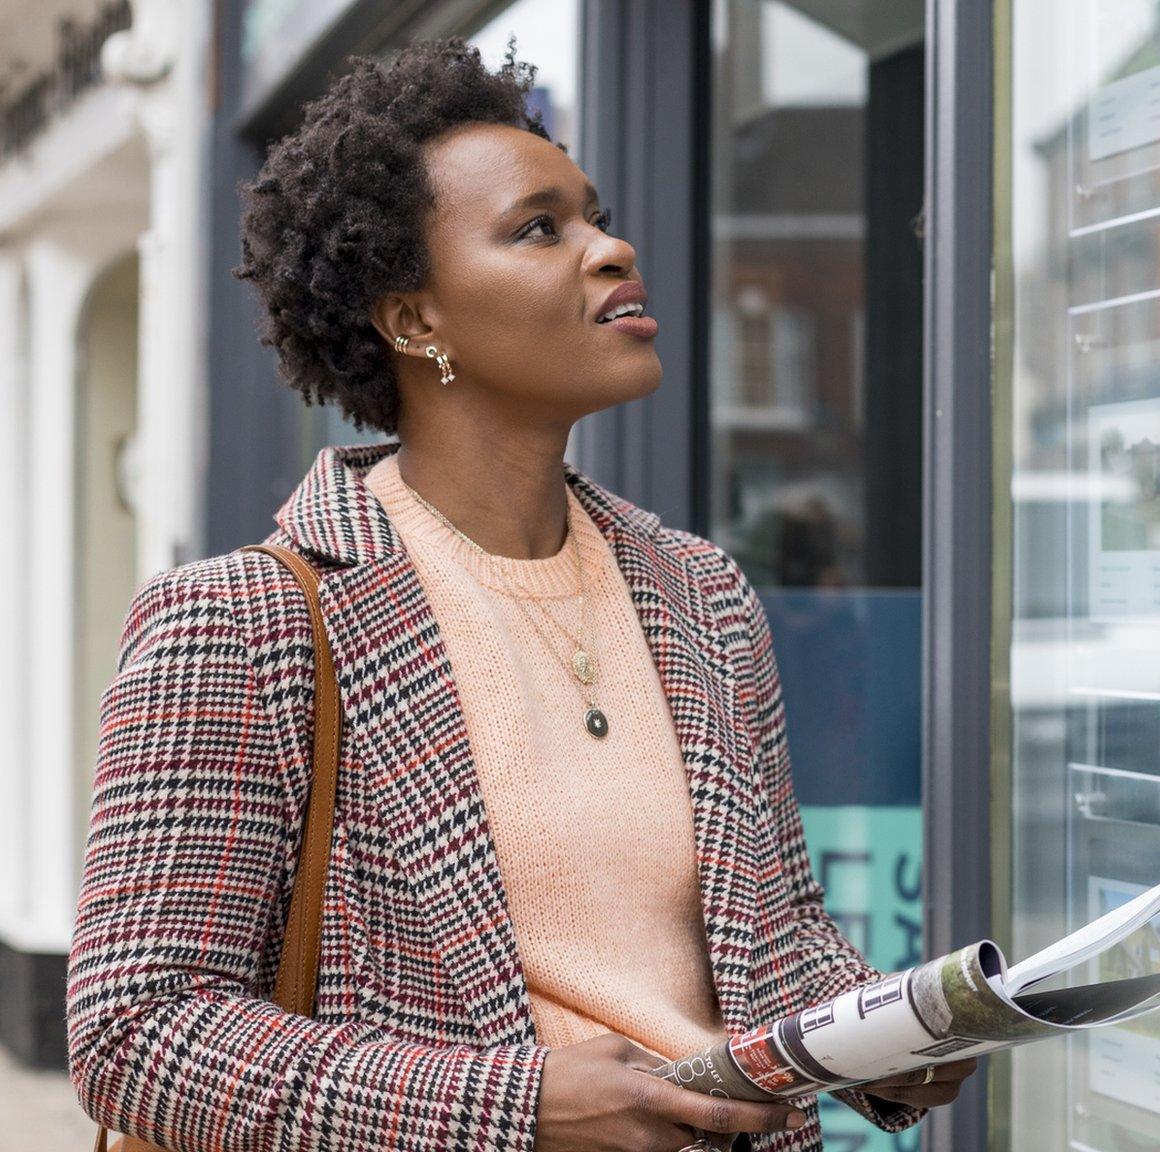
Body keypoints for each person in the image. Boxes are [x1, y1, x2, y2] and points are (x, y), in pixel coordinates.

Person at [65, 40, 972, 1152]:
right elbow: (136, 1032)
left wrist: (896, 1032)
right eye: (540, 229)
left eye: (592, 214)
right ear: (414, 323)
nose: (612, 248)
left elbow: (767, 930)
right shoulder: (241, 625)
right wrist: (517, 1107)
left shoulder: (703, 595)